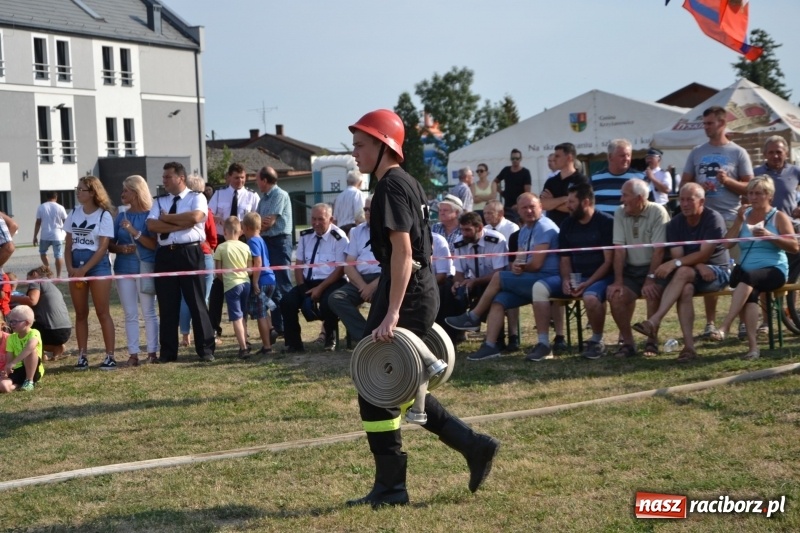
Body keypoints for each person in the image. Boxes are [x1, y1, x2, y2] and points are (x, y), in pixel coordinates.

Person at [347, 108, 498, 508]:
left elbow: (403, 250)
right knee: (389, 382)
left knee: (375, 382)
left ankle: (393, 487)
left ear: (384, 146)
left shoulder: (391, 187)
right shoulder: (403, 182)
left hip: (407, 291)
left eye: (361, 145)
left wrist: (393, 311)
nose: (355, 153)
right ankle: (472, 445)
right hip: (412, 286)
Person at [447, 193, 560, 361]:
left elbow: (536, 264)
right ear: (518, 210)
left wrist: (520, 266)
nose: (529, 211)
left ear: (541, 207)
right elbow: (521, 258)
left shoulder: (544, 227)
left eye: (532, 207)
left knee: (499, 276)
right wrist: (517, 265)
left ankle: (474, 317)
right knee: (499, 299)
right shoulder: (524, 230)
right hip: (530, 278)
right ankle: (491, 345)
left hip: (548, 278)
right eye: (524, 207)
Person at [631, 183, 730, 362]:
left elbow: (704, 254)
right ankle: (689, 347)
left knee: (683, 271)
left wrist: (677, 263)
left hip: (717, 271)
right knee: (685, 289)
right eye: (682, 199)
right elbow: (679, 255)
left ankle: (654, 321)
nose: (684, 204)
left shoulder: (713, 218)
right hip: (691, 273)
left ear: (701, 201)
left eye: (689, 200)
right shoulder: (675, 223)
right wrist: (693, 264)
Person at [681, 105, 754, 339]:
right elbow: (684, 183)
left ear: (722, 124)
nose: (705, 127)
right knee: (709, 272)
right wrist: (698, 188)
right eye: (704, 123)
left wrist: (728, 182)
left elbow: (751, 187)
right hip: (705, 221)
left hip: (732, 219)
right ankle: (711, 323)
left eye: (709, 123)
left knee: (740, 272)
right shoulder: (696, 152)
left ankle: (743, 323)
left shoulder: (738, 152)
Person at [710, 177, 798, 359]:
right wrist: (738, 221)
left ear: (769, 196)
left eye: (758, 193)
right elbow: (726, 245)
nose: (753, 197)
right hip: (748, 273)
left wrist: (770, 236)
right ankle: (753, 348)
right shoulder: (744, 214)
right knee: (750, 294)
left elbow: (795, 247)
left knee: (748, 279)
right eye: (750, 193)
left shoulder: (778, 216)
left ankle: (725, 325)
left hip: (774, 269)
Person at [528, 183, 614, 361]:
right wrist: (566, 279)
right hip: (576, 277)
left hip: (601, 277)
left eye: (572, 202)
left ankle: (597, 341)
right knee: (539, 288)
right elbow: (564, 259)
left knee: (590, 296)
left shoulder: (606, 222)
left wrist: (587, 283)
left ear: (586, 202)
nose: (568, 206)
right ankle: (543, 344)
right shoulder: (567, 224)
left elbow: (608, 262)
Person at [147, 161, 216, 363]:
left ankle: (205, 349)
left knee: (196, 302)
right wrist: (179, 222)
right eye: (163, 177)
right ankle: (168, 352)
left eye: (168, 177)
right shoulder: (159, 201)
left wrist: (167, 219)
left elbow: (195, 217)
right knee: (167, 305)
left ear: (181, 178)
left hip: (190, 254)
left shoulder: (197, 197)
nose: (164, 181)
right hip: (165, 255)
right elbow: (152, 225)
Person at [606, 179, 669, 359]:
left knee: (651, 292)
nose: (621, 199)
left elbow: (659, 251)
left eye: (625, 195)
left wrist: (650, 279)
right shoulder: (620, 212)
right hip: (631, 270)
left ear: (639, 198)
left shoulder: (658, 211)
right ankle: (628, 343)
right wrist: (618, 281)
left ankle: (652, 341)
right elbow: (619, 249)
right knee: (616, 296)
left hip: (655, 269)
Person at [280, 203, 348, 353]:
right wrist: (303, 289)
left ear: (331, 219)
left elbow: (340, 269)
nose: (316, 223)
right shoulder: (305, 236)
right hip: (307, 282)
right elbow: (298, 265)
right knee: (287, 302)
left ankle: (330, 339)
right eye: (313, 219)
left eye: (321, 219)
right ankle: (294, 344)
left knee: (328, 301)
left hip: (331, 281)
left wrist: (320, 289)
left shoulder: (339, 238)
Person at [66, 176, 116, 370]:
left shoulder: (104, 215)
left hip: (98, 266)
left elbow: (103, 247)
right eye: (77, 189)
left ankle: (110, 356)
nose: (78, 192)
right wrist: (71, 269)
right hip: (76, 266)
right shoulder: (73, 213)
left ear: (93, 192)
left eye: (82, 190)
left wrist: (84, 270)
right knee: (80, 313)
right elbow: (68, 244)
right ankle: (82, 355)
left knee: (103, 312)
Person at [109, 175, 159, 367]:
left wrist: (134, 232)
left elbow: (154, 244)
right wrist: (121, 249)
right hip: (123, 268)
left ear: (136, 192)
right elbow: (110, 244)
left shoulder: (151, 215)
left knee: (149, 312)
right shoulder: (121, 216)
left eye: (126, 190)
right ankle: (133, 354)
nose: (122, 194)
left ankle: (153, 352)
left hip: (145, 267)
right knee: (129, 313)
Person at [207, 163, 260, 341]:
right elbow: (209, 214)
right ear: (229, 177)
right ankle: (214, 326)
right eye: (236, 177)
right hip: (223, 241)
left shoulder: (252, 196)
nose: (240, 181)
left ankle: (243, 326)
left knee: (242, 282)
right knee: (219, 284)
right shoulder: (219, 194)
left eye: (243, 177)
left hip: (243, 242)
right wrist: (218, 219)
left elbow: (256, 218)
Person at [441, 212, 508, 343]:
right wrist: (458, 283)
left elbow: (498, 272)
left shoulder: (496, 240)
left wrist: (474, 281)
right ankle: (454, 335)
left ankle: (496, 340)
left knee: (491, 293)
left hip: (494, 281)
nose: (464, 233)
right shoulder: (460, 242)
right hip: (472, 280)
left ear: (480, 228)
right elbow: (459, 272)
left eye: (468, 230)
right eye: (461, 229)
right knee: (452, 290)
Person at [328, 196, 381, 342]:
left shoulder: (391, 231)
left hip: (383, 279)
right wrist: (364, 286)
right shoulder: (356, 231)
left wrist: (372, 286)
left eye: (371, 209)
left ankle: (383, 336)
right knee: (336, 298)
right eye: (365, 209)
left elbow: (393, 267)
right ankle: (365, 337)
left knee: (386, 297)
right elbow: (349, 265)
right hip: (360, 280)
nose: (368, 212)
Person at [179, 174, 218, 348]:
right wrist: (212, 247)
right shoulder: (206, 212)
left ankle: (185, 334)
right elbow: (212, 236)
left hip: (183, 254)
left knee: (185, 299)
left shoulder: (179, 209)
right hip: (204, 253)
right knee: (203, 298)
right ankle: (204, 334)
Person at [256, 166, 293, 341]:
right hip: (267, 242)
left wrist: (255, 226)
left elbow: (268, 222)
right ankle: (279, 326)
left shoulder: (280, 195)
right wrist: (258, 225)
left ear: (264, 180)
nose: (257, 183)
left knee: (283, 284)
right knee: (272, 285)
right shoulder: (263, 199)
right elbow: (259, 221)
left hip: (279, 242)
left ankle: (289, 326)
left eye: (258, 179)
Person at [11, 266, 71, 360]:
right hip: (65, 330)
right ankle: (52, 349)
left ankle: (43, 352)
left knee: (21, 325)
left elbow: (32, 300)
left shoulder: (36, 281)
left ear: (34, 274)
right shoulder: (52, 287)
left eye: (28, 280)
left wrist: (11, 297)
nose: (28, 284)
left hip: (51, 330)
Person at [213, 217, 253, 359]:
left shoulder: (221, 247)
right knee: (243, 315)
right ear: (240, 231)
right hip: (246, 283)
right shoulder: (246, 246)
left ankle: (243, 348)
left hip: (231, 285)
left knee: (236, 317)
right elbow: (250, 269)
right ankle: (246, 342)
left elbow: (218, 272)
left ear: (224, 231)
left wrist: (227, 280)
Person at [242, 212, 276, 356]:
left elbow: (258, 262)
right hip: (270, 280)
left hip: (261, 281)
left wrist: (254, 281)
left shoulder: (252, 241)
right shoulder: (261, 239)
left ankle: (267, 347)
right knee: (265, 309)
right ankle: (271, 330)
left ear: (248, 227)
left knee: (260, 313)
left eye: (243, 227)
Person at [539, 142, 588, 227]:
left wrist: (552, 202)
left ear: (569, 158)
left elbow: (577, 207)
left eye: (557, 156)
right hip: (553, 230)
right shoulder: (551, 181)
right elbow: (542, 204)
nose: (554, 159)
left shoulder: (580, 180)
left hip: (574, 229)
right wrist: (565, 199)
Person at [591, 139, 645, 215]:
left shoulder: (641, 179)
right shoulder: (594, 179)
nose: (626, 159)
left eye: (628, 155)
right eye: (622, 156)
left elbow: (648, 205)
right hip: (603, 226)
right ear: (610, 157)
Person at [0, 305, 44, 392]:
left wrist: (13, 363)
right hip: (17, 370)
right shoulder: (11, 338)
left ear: (27, 323)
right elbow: (9, 360)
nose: (11, 324)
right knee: (3, 386)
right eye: (10, 321)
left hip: (33, 369)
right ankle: (18, 386)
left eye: (15, 322)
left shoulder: (34, 333)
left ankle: (29, 380)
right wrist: (6, 371)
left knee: (31, 351)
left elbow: (30, 346)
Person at [33, 192, 67, 278]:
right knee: (58, 255)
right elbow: (65, 222)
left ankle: (48, 269)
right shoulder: (60, 207)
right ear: (56, 197)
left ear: (46, 197)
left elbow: (38, 223)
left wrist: (35, 236)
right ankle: (58, 275)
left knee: (42, 252)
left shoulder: (41, 207)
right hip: (58, 234)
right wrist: (67, 234)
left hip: (45, 234)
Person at [494, 149, 532, 224]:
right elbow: (495, 182)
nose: (515, 160)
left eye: (517, 158)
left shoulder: (525, 172)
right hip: (507, 206)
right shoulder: (506, 170)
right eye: (513, 158)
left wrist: (519, 204)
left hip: (520, 207)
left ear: (520, 159)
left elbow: (527, 192)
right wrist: (501, 192)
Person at [332, 170, 366, 235]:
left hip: (340, 229)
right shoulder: (358, 194)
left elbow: (335, 218)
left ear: (347, 182)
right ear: (360, 183)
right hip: (353, 228)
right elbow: (360, 216)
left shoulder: (339, 196)